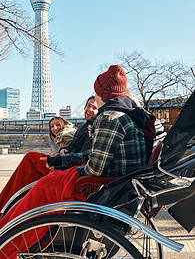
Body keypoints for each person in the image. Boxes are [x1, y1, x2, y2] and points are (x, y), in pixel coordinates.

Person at [0, 65, 150, 258]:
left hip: (105, 184)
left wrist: (68, 170)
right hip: (118, 181)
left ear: (99, 93)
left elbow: (95, 167)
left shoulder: (110, 117)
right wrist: (63, 161)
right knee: (46, 174)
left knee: (45, 186)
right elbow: (97, 155)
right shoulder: (125, 114)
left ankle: (6, 244)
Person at [0, 117, 76, 212]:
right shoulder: (64, 135)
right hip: (64, 164)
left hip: (65, 167)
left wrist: (57, 156)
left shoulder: (66, 134)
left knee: (30, 158)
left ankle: (6, 200)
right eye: (52, 126)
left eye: (58, 125)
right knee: (29, 160)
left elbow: (70, 151)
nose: (55, 128)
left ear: (64, 124)